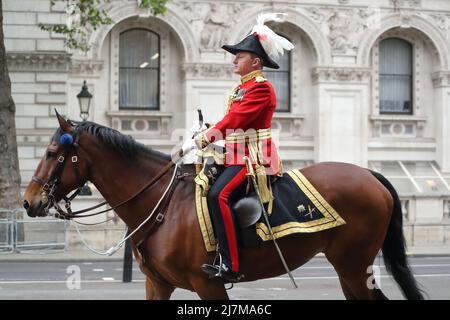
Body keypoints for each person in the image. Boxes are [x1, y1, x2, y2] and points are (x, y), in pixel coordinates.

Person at [182, 13, 294, 282]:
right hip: (236, 154)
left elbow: (237, 120)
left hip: (254, 157)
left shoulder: (261, 88)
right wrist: (206, 128)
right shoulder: (240, 89)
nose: (234, 59)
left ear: (255, 61)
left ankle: (229, 263)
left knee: (217, 196)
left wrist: (206, 137)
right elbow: (229, 121)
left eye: (239, 56)